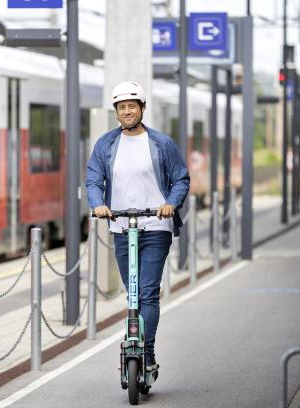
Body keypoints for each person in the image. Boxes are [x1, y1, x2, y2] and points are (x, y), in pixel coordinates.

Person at [86, 81, 190, 374]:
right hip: (121, 226)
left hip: (156, 225)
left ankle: (147, 350)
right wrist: (97, 203)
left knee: (146, 292)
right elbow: (94, 179)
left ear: (142, 109)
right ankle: (137, 340)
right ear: (117, 112)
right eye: (122, 107)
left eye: (132, 106)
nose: (127, 111)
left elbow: (181, 178)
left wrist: (171, 202)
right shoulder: (106, 144)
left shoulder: (161, 143)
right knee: (132, 294)